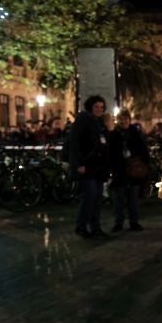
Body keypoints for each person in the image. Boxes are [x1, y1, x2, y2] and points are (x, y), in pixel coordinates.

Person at [69, 95, 110, 238]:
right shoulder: (82, 121)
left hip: (99, 167)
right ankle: (81, 226)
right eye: (96, 107)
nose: (99, 109)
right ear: (90, 107)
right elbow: (75, 144)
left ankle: (95, 227)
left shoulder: (100, 123)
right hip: (87, 167)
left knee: (97, 199)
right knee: (89, 198)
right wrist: (79, 163)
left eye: (101, 107)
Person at [107, 109, 149, 232]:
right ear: (117, 120)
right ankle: (118, 222)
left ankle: (134, 221)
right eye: (121, 119)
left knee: (133, 198)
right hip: (120, 171)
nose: (123, 121)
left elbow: (143, 150)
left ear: (129, 120)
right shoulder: (114, 134)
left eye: (125, 119)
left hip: (134, 170)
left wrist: (142, 164)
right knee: (119, 198)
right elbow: (110, 153)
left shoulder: (135, 133)